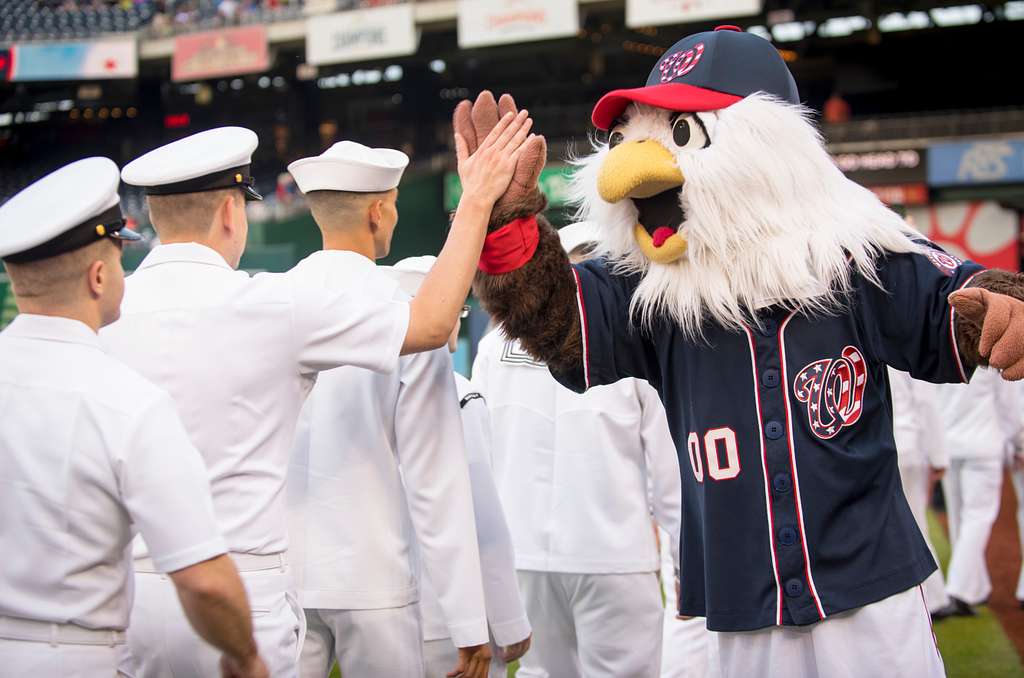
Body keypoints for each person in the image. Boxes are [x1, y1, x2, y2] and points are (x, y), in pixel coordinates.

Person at [462, 26, 1024, 678]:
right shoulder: (651, 286)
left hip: (870, 588)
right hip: (742, 593)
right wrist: (501, 225)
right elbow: (562, 322)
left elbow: (947, 298)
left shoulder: (848, 254)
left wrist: (999, 299)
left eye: (681, 132)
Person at [102, 116, 533, 677]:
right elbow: (435, 452)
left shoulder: (108, 316)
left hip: (142, 593)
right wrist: (476, 198)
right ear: (232, 212)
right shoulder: (271, 305)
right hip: (274, 587)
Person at [0, 157, 267, 678]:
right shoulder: (125, 399)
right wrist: (245, 654)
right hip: (74, 656)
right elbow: (203, 579)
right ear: (98, 276)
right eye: (120, 261)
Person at [284, 145, 490, 678]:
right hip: (374, 579)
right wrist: (468, 622)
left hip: (280, 578)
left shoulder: (270, 298)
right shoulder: (407, 309)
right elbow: (435, 477)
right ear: (378, 211)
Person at [470, 222, 681, 678]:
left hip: (521, 554)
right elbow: (670, 476)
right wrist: (687, 564)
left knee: (539, 673)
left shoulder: (492, 347)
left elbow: (478, 460)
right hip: (611, 553)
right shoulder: (634, 341)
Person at [384, 256, 532, 678]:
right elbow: (481, 519)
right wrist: (508, 618)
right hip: (449, 616)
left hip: (386, 608)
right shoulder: (459, 394)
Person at [935, 368, 1024, 616]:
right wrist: (1019, 443)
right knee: (978, 517)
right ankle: (959, 590)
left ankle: (975, 587)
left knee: (960, 517)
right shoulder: (990, 364)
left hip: (950, 445)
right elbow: (1009, 408)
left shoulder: (947, 356)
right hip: (983, 447)